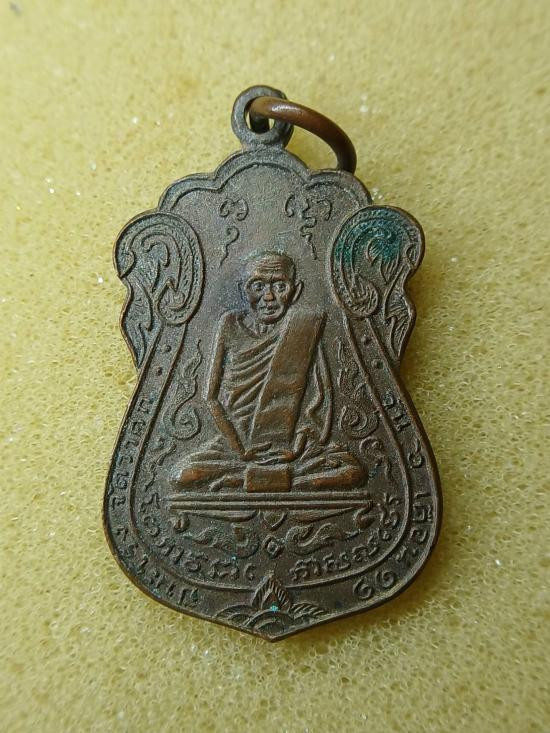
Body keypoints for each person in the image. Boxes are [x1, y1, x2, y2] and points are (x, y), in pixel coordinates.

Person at [177, 250, 364, 492]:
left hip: (291, 445)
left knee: (353, 472)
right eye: (258, 286)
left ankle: (251, 479)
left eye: (280, 286)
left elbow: (321, 400)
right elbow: (211, 397)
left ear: (296, 291)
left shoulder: (304, 327)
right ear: (243, 290)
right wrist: (241, 450)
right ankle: (273, 477)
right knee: (183, 476)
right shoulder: (230, 324)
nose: (268, 297)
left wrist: (296, 446)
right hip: (236, 444)